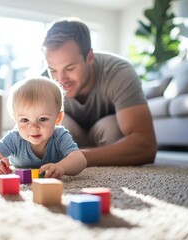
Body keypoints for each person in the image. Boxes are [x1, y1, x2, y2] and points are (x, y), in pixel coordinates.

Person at [41, 17, 157, 166]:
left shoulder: (119, 72)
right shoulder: (44, 82)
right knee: (56, 126)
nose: (61, 79)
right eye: (53, 70)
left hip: (108, 136)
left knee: (111, 127)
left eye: (70, 68)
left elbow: (146, 145)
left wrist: (80, 157)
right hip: (70, 134)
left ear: (89, 57)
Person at [0, 77, 87, 178]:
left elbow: (80, 159)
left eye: (42, 119)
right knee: (2, 146)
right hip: (12, 140)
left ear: (58, 119)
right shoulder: (14, 138)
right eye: (25, 120)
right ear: (16, 119)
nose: (33, 128)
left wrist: (61, 167)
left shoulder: (60, 135)